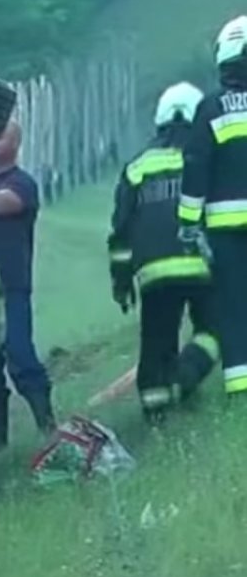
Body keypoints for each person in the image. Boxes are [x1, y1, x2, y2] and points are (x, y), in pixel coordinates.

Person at [108, 82, 218, 423]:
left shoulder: (137, 167)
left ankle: (156, 412)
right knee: (212, 331)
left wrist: (122, 282)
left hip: (154, 273)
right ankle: (184, 379)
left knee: (156, 342)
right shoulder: (208, 160)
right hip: (202, 265)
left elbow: (120, 233)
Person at [180, 16, 247, 402]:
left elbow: (196, 168)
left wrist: (188, 226)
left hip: (226, 232)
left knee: (235, 309)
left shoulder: (210, 108)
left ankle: (240, 386)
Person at [0, 118, 56, 442]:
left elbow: (1, 204)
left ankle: (48, 425)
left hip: (12, 285)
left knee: (20, 354)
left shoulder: (22, 183)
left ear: (16, 143)